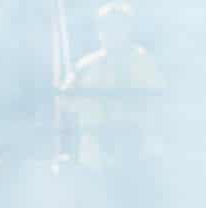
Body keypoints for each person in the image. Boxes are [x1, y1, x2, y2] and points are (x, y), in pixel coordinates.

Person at [60, 1, 164, 169]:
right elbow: (65, 101)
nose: (111, 32)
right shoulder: (85, 66)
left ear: (128, 28)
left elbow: (156, 101)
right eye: (106, 26)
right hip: (96, 157)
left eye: (117, 26)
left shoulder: (143, 62)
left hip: (137, 154)